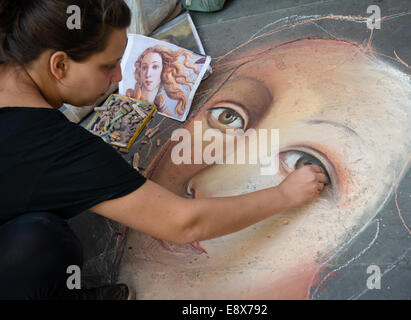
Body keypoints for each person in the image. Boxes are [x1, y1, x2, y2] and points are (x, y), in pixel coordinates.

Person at [0, 0, 327, 300]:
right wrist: (285, 195)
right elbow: (183, 224)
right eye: (108, 66)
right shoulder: (53, 146)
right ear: (59, 66)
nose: (119, 77)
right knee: (46, 243)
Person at [118, 38, 411, 299]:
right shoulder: (83, 161)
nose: (208, 185)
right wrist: (284, 194)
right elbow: (186, 223)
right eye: (227, 117)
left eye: (305, 163)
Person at [125, 45, 199, 119]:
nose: (148, 74)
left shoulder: (162, 107)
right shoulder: (129, 99)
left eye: (155, 67)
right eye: (144, 67)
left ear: (164, 71)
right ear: (140, 71)